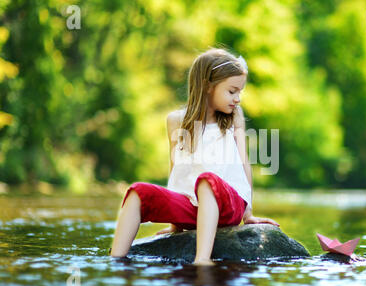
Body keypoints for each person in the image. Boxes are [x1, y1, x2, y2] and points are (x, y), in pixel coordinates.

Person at [110, 48, 279, 265]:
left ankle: (202, 260)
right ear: (208, 85)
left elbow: (244, 162)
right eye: (232, 91)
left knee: (207, 181)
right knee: (137, 192)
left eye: (240, 92)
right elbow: (176, 168)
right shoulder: (175, 121)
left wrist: (248, 215)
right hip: (192, 206)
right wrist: (175, 226)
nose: (237, 99)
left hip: (228, 204)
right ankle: (115, 260)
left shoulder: (233, 117)